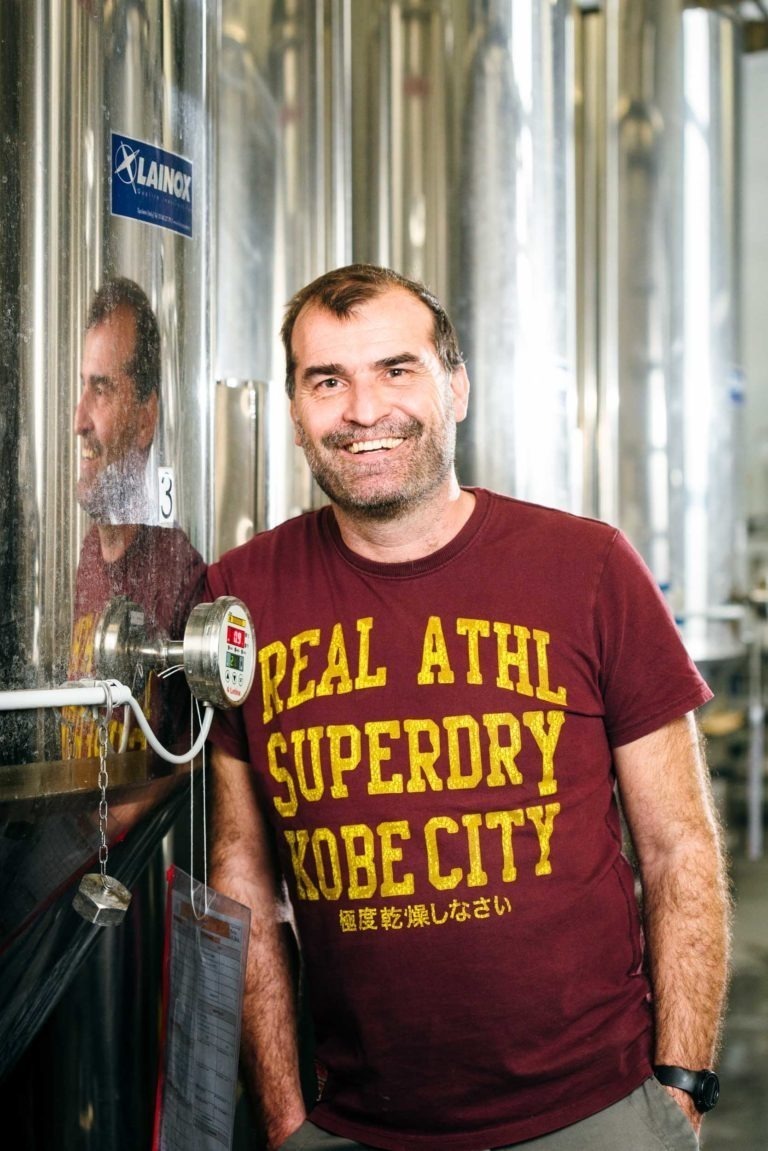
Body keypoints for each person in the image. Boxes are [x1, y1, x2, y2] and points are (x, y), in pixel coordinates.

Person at [205, 264, 731, 1151]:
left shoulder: (588, 567)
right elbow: (241, 875)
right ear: (295, 411)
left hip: (594, 1116)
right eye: (327, 380)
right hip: (356, 1126)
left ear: (456, 385)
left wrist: (678, 1085)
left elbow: (681, 843)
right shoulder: (242, 595)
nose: (364, 409)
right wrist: (287, 1121)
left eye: (396, 369)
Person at [63, 277, 206, 758]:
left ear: (147, 419)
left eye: (100, 390)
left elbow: (193, 763)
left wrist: (116, 828)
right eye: (82, 387)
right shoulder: (88, 553)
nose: (78, 420)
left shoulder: (178, 572)